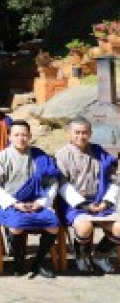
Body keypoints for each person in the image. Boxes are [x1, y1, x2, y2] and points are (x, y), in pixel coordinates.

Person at [0, 120, 61, 278]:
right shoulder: (1, 158)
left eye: (24, 135)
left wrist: (41, 203)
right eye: (16, 135)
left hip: (38, 202)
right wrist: (15, 203)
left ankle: (38, 263)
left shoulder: (40, 156)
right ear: (9, 136)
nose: (20, 138)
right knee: (16, 226)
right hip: (11, 204)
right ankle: (18, 261)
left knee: (53, 224)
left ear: (29, 136)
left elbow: (53, 182)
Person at [56, 117, 120, 273]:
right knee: (85, 227)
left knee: (119, 228)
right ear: (69, 133)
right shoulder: (62, 155)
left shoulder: (99, 152)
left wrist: (107, 202)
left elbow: (114, 180)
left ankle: (100, 255)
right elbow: (62, 184)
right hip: (74, 205)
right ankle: (81, 255)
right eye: (77, 132)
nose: (81, 136)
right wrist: (83, 204)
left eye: (85, 133)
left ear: (90, 133)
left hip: (100, 202)